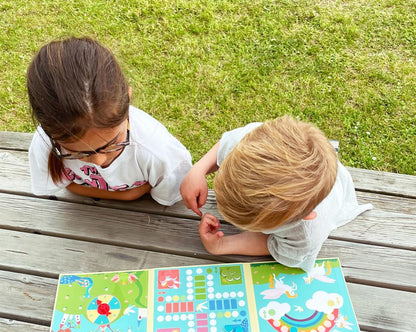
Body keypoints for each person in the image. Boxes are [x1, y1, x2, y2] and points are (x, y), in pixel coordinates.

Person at [180, 116, 372, 272]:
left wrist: (222, 246)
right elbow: (225, 144)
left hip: (332, 193)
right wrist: (198, 170)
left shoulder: (305, 234)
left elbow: (276, 244)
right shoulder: (253, 143)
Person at [27, 37, 192, 205]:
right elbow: (64, 185)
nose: (99, 162)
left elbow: (170, 195)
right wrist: (128, 195)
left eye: (112, 143)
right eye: (78, 153)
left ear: (127, 98)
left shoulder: (159, 152)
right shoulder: (45, 144)